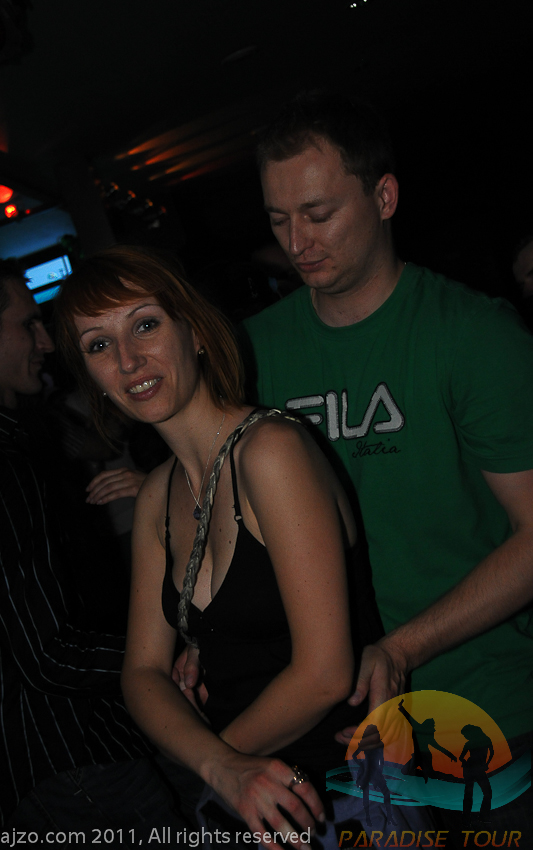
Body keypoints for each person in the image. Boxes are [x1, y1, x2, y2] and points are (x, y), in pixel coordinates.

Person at [55, 244, 430, 848]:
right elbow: (142, 674)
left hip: (341, 802)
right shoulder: (157, 496)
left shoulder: (271, 451)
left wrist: (212, 762)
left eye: (145, 325)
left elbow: (325, 674)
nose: (127, 360)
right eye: (98, 345)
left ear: (196, 332)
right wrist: (218, 766)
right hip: (246, 804)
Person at [239, 90, 533, 837]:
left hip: (485, 708)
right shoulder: (252, 351)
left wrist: (400, 648)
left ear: (384, 196)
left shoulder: (474, 334)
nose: (297, 241)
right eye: (278, 219)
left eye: (317, 213)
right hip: (341, 728)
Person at [0, 254, 187, 841]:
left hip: (14, 763)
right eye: (28, 325)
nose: (45, 343)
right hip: (65, 752)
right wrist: (167, 656)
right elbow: (48, 653)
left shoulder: (7, 444)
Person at [397, 699, 457, 784]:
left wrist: (450, 755)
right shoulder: (419, 728)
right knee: (405, 771)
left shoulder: (426, 734)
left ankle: (450, 777)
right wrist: (401, 708)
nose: (433, 728)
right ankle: (424, 775)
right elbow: (409, 717)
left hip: (425, 757)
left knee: (431, 774)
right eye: (433, 726)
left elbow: (438, 747)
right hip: (418, 756)